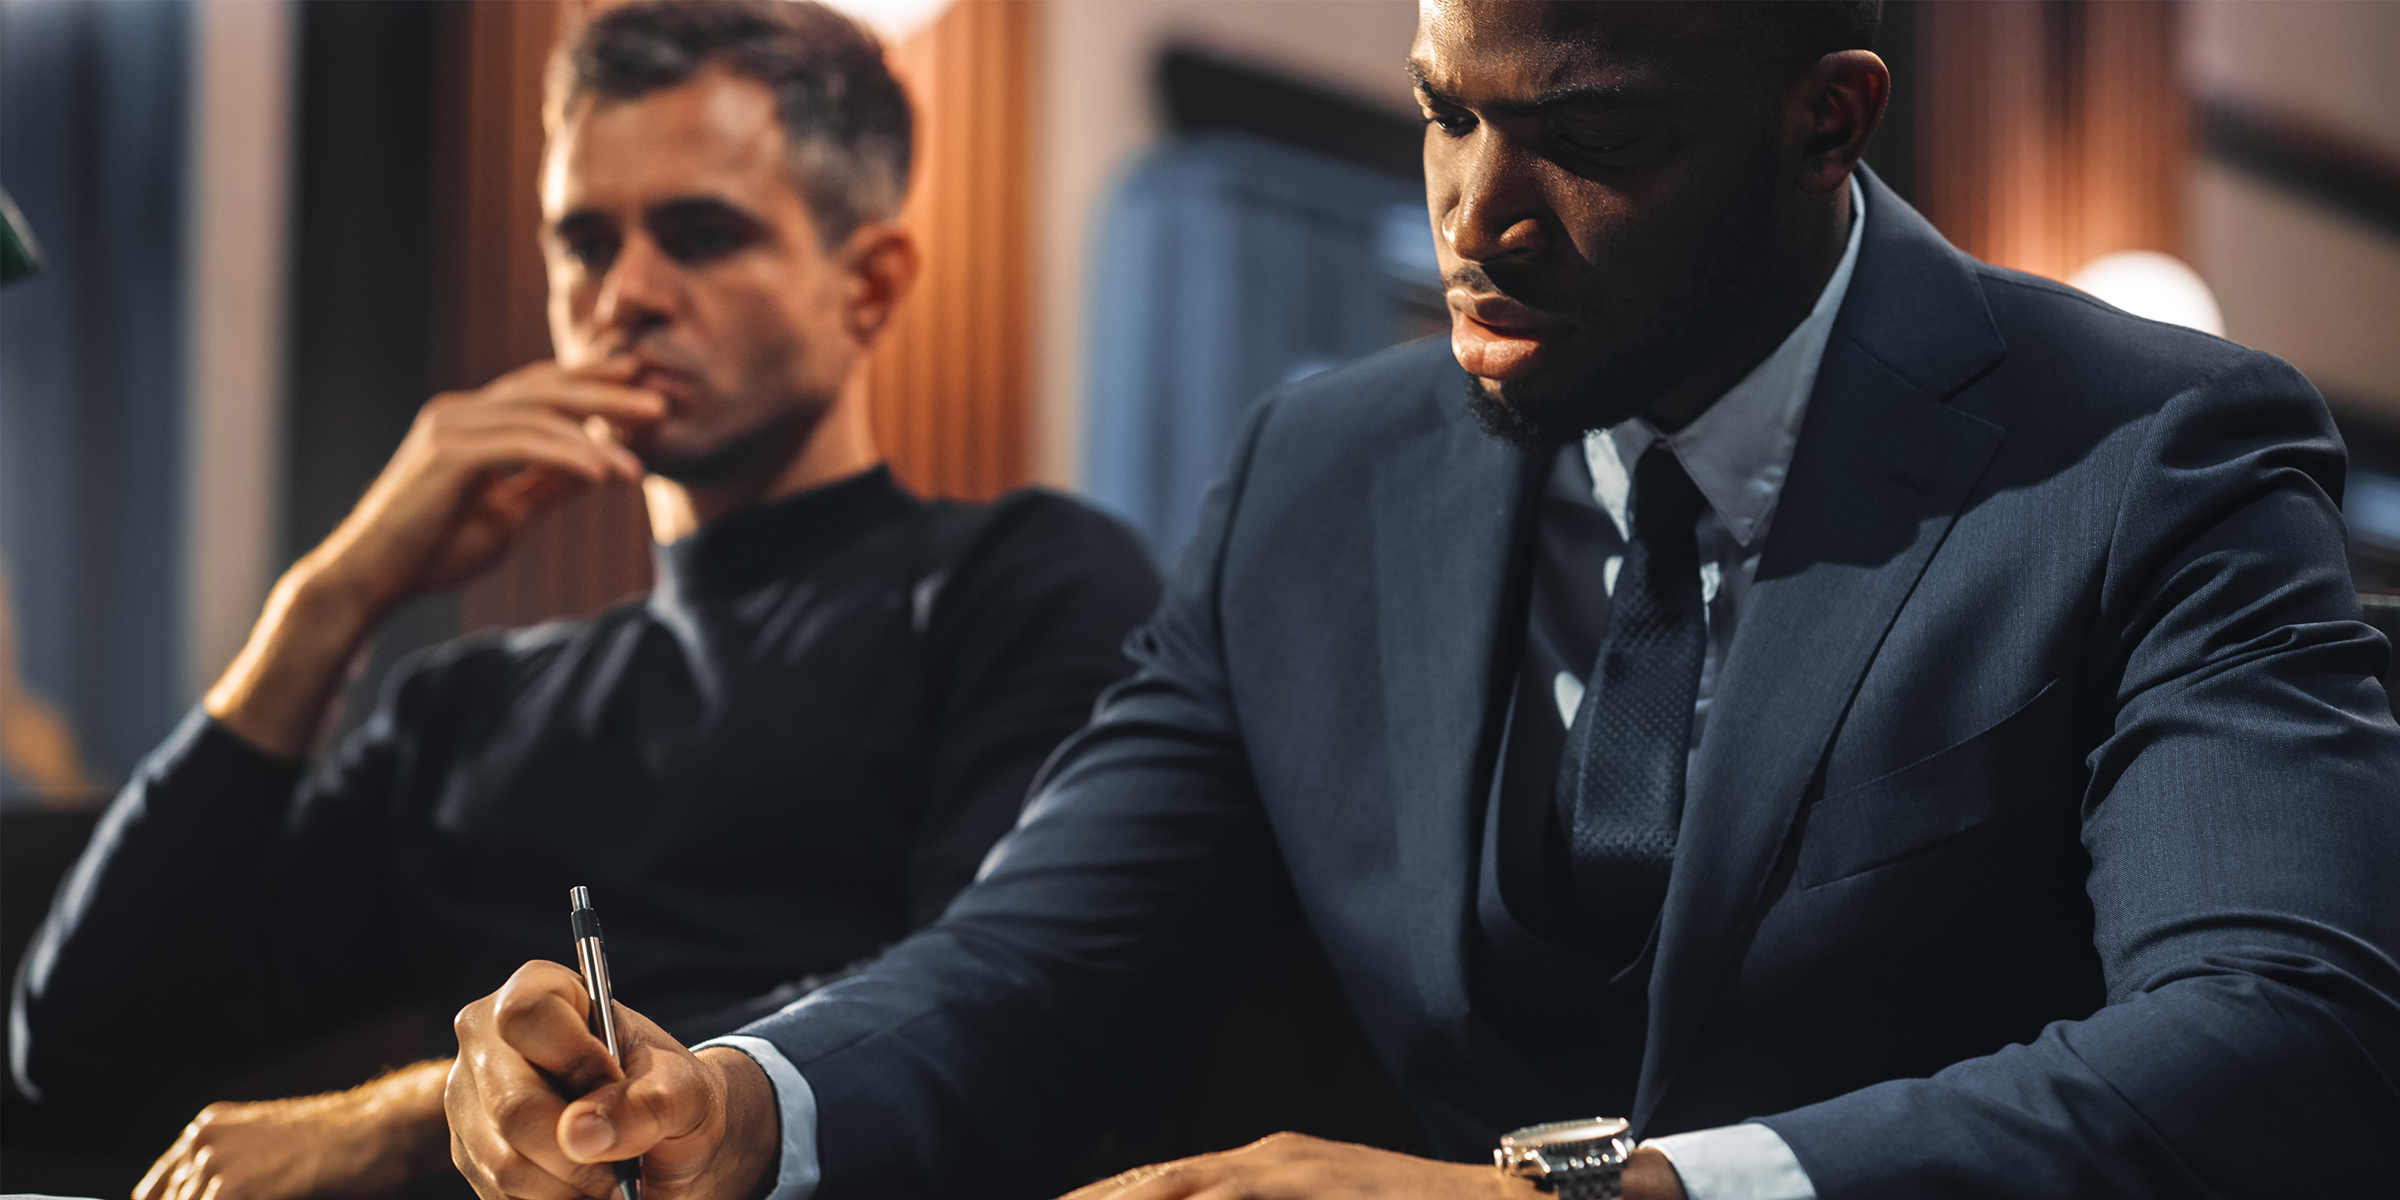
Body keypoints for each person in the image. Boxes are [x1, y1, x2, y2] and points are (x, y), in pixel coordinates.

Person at [449, 1, 2400, 1197]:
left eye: (1587, 133)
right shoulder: (1319, 467)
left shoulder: (2152, 448)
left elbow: (2281, 1037)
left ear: (1830, 119)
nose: (1476, 206)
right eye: (1447, 108)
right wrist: (736, 1102)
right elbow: (1046, 956)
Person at [8, 4, 1159, 1199]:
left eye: (701, 234)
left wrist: (413, 1117)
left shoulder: (1021, 583)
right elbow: (79, 1061)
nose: (627, 295)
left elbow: (994, 1006)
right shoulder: (469, 710)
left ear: (869, 284)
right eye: (585, 242)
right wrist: (331, 597)